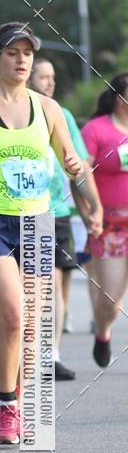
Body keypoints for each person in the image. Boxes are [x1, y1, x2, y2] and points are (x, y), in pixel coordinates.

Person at [0, 21, 102, 444]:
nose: (21, 60)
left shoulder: (48, 109)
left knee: (30, 323)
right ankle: (7, 403)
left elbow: (71, 160)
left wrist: (83, 185)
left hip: (37, 222)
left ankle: (16, 406)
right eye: (12, 52)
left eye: (27, 53)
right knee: (12, 314)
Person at [29, 56, 101, 380]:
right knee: (28, 290)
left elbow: (78, 166)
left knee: (54, 284)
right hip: (13, 211)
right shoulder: (12, 113)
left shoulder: (62, 114)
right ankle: (27, 352)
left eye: (52, 76)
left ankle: (50, 355)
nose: (50, 82)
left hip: (53, 211)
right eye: (44, 76)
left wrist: (93, 208)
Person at [81, 74, 128, 367]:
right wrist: (89, 211)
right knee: (111, 301)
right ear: (119, 98)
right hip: (110, 225)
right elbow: (80, 174)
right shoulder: (96, 129)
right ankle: (103, 332)